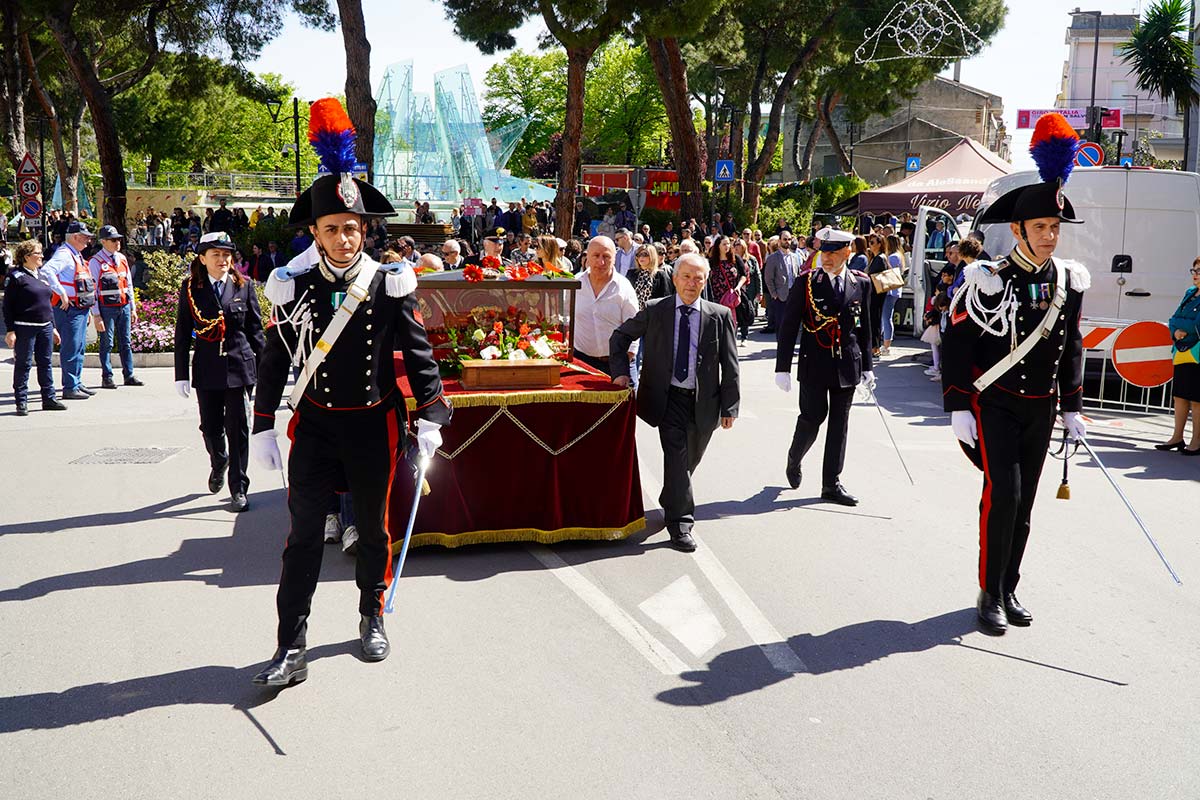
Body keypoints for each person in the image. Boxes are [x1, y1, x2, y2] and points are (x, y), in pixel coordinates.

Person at [249, 99, 450, 686]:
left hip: (372, 424)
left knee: (373, 526)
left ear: (366, 231)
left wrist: (431, 411)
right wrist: (263, 422)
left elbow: (417, 352)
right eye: (332, 229)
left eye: (352, 229)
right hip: (314, 425)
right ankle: (291, 646)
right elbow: (277, 355)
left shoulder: (388, 285)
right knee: (303, 535)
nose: (343, 238)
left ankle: (371, 615)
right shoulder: (295, 286)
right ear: (314, 232)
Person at [941, 113, 1090, 635]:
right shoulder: (988, 278)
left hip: (1040, 406)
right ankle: (988, 592)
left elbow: (1070, 344)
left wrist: (1071, 405)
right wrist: (958, 404)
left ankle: (1009, 584)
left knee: (1025, 501)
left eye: (1054, 228)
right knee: (1001, 493)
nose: (1049, 237)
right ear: (1018, 230)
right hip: (996, 401)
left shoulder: (1069, 282)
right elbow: (958, 341)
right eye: (1040, 228)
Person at [609, 253, 739, 552]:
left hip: (704, 402)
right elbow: (620, 337)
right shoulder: (657, 310)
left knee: (690, 460)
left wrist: (729, 407)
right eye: (686, 277)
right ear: (675, 278)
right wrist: (620, 374)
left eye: (698, 278)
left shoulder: (718, 315)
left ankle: (672, 497)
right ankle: (680, 523)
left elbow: (730, 365)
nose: (692, 284)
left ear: (705, 282)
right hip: (668, 400)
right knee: (677, 458)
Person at [774, 227, 874, 507]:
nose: (826, 259)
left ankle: (831, 484)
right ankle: (795, 457)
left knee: (839, 425)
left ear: (848, 252)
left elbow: (865, 326)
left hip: (847, 363)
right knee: (813, 417)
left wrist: (867, 365)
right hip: (815, 361)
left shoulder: (861, 282)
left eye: (832, 253)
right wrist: (782, 366)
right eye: (822, 252)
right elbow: (789, 325)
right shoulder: (807, 282)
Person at [173, 231, 265, 513]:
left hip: (238, 365)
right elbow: (182, 333)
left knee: (237, 428)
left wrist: (267, 368)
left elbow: (255, 330)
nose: (223, 260)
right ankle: (219, 460)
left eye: (227, 254)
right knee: (210, 427)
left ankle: (238, 487)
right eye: (216, 254)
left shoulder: (243, 286)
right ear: (203, 258)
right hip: (207, 366)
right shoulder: (191, 288)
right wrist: (180, 374)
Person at [4, 241, 67, 415]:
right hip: (25, 327)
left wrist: (53, 327)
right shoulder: (16, 277)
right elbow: (8, 306)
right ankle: (21, 401)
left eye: (40, 253)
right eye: (37, 253)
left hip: (45, 326)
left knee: (45, 363)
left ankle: (48, 398)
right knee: (23, 364)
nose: (41, 256)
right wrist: (10, 331)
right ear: (26, 257)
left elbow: (47, 304)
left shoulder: (42, 276)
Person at [88, 225, 144, 389]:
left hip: (124, 305)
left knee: (125, 342)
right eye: (113, 240)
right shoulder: (96, 262)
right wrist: (96, 314)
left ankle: (129, 374)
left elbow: (129, 284)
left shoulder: (122, 258)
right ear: (103, 241)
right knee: (107, 343)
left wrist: (133, 307)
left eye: (118, 239)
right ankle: (107, 376)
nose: (117, 242)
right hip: (107, 308)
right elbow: (93, 290)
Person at [574, 235, 638, 374]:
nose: (600, 262)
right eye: (596, 255)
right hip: (581, 362)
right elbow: (565, 318)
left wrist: (625, 363)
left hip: (616, 364)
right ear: (587, 257)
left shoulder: (624, 288)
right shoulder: (575, 284)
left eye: (606, 256)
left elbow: (634, 329)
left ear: (614, 259)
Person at [48, 220, 97, 400]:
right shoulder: (64, 254)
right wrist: (61, 292)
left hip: (80, 307)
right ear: (75, 237)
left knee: (79, 346)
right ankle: (70, 386)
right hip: (71, 309)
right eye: (85, 237)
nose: (88, 241)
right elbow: (47, 271)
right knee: (71, 346)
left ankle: (76, 382)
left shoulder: (75, 254)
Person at [1157, 257, 1200, 454]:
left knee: (1197, 399)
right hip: (1183, 350)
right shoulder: (1190, 293)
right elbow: (1173, 318)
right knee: (1180, 396)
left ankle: (1196, 441)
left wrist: (1183, 327)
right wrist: (1176, 331)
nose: (1196, 275)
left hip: (1197, 352)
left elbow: (1197, 324)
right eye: (1194, 270)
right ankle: (1177, 437)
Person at [762, 231, 797, 334]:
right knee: (781, 326)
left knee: (792, 325)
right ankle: (781, 348)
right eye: (785, 239)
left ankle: (789, 348)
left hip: (793, 296)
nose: (787, 241)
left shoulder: (795, 257)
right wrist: (774, 294)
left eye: (789, 239)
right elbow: (768, 278)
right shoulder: (773, 258)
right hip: (780, 297)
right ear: (779, 241)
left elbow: (797, 274)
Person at [879, 234, 905, 356]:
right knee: (886, 316)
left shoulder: (893, 257)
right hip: (894, 290)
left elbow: (888, 273)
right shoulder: (899, 256)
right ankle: (885, 343)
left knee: (886, 317)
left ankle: (886, 345)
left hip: (890, 290)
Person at [864, 233, 888, 357]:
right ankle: (874, 346)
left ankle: (875, 347)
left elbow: (874, 275)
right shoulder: (875, 257)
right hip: (874, 293)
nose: (870, 245)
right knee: (873, 319)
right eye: (869, 242)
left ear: (879, 244)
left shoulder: (880, 258)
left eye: (872, 242)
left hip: (877, 293)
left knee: (875, 319)